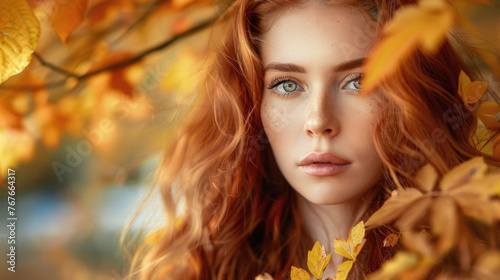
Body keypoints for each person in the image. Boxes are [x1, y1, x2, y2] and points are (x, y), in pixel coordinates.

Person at [124, 0, 500, 279]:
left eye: (359, 82)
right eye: (287, 85)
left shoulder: (477, 259)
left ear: (414, 95)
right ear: (251, 103)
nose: (319, 121)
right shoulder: (203, 269)